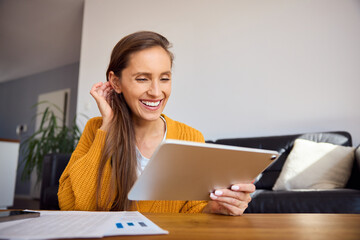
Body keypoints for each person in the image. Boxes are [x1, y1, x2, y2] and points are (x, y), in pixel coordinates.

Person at [58, 31, 255, 215]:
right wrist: (107, 127)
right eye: (142, 78)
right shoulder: (97, 129)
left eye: (164, 78)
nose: (156, 91)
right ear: (116, 82)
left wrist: (216, 207)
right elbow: (71, 206)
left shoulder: (190, 137)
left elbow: (191, 211)